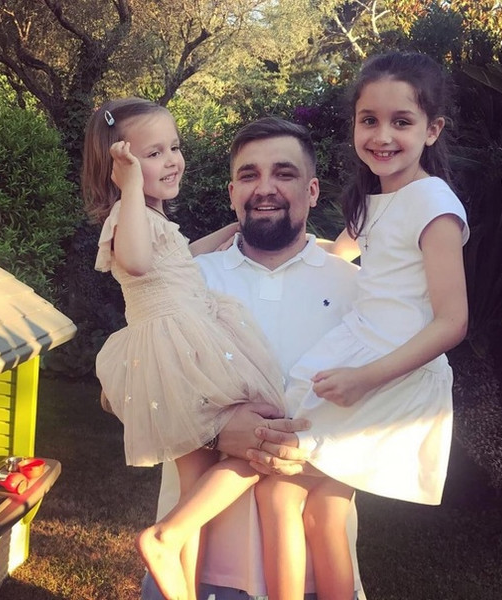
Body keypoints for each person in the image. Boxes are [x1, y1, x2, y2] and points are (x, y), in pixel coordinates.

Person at [254, 50, 469, 599]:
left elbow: (452, 322)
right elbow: (334, 253)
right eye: (369, 119)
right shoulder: (376, 201)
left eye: (402, 121)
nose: (382, 135)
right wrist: (244, 240)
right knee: (315, 507)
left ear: (432, 129)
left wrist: (364, 378)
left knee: (286, 495)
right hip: (364, 359)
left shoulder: (434, 203)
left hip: (392, 376)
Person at [142, 117, 366, 600]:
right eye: (249, 175)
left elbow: (397, 410)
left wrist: (317, 449)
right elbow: (120, 392)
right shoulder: (187, 281)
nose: (265, 188)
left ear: (311, 190)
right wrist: (213, 431)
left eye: (284, 173)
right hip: (191, 576)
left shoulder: (358, 290)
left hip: (318, 576)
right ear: (232, 193)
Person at [82, 99, 297, 599]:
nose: (172, 161)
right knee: (260, 442)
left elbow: (176, 261)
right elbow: (138, 262)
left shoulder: (150, 219)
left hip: (183, 344)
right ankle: (164, 538)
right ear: (120, 166)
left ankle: (177, 568)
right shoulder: (127, 214)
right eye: (153, 153)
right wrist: (129, 187)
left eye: (174, 147)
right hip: (176, 351)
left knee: (193, 489)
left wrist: (232, 230)